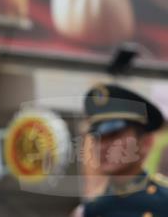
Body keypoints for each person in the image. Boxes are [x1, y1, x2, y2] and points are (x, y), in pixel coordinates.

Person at [71, 83, 168, 217]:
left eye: (113, 135)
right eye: (98, 137)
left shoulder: (164, 203)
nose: (102, 146)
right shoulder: (90, 211)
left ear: (146, 142)